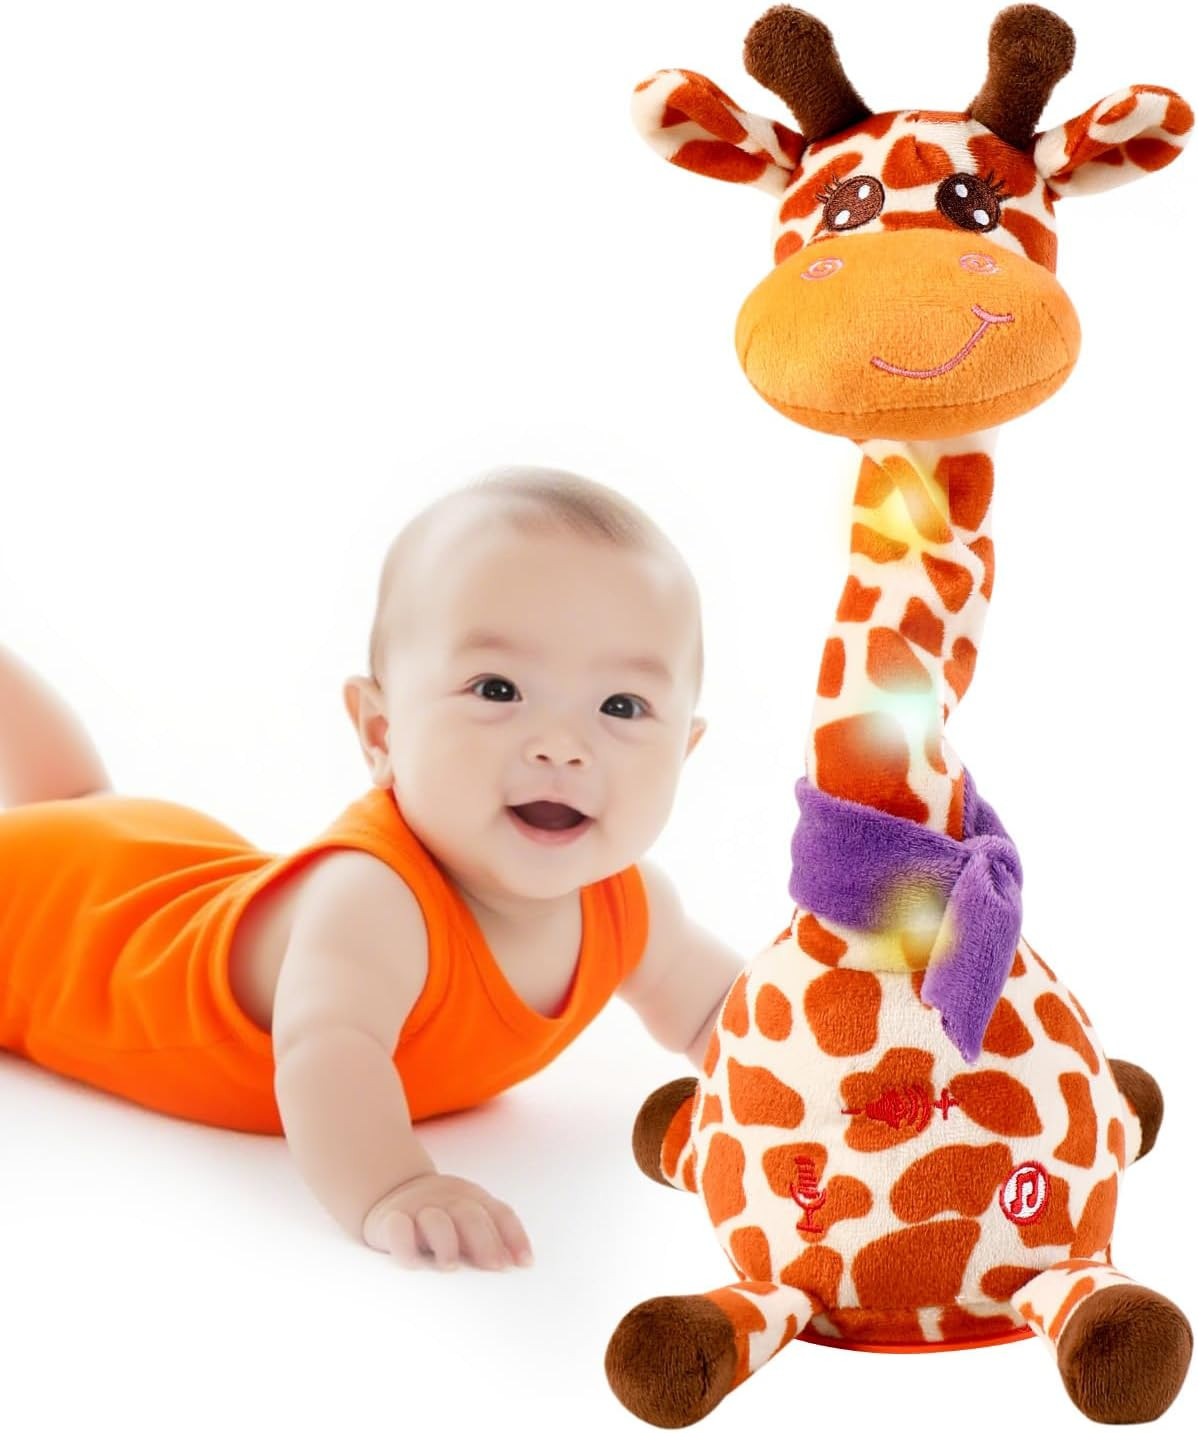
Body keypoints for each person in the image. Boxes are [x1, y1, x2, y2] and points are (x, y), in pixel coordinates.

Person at [0, 466, 743, 1272]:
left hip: (153, 858)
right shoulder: (376, 901)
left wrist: (823, 1081)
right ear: (382, 733)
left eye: (622, 706)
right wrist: (394, 1183)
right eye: (498, 689)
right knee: (58, 821)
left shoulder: (631, 908)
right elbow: (328, 1052)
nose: (563, 745)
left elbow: (727, 1017)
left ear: (684, 750)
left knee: (76, 801)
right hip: (60, 927)